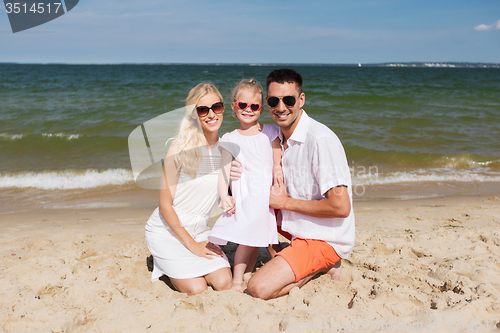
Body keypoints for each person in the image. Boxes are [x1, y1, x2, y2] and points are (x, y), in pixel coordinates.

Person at [239, 68, 356, 300]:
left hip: (324, 238)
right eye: (274, 101)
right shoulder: (278, 139)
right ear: (267, 103)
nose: (281, 107)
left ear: (301, 100)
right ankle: (290, 257)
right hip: (298, 230)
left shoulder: (320, 140)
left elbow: (341, 207)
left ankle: (323, 264)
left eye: (288, 100)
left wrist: (285, 202)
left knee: (258, 288)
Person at [145, 83, 232, 296]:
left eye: (216, 107)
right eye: (203, 109)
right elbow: (165, 206)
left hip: (200, 228)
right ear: (194, 114)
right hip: (167, 230)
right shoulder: (179, 148)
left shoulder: (227, 149)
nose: (211, 114)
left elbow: (225, 196)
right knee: (197, 289)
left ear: (222, 108)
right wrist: (192, 246)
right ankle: (165, 261)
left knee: (223, 282)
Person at [208, 78, 281, 292]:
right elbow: (223, 171)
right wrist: (225, 195)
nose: (248, 110)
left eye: (254, 106)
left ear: (262, 108)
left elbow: (277, 160)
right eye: (243, 105)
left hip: (264, 196)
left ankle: (248, 274)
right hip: (246, 196)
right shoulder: (230, 138)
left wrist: (278, 177)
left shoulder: (269, 132)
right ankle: (237, 280)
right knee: (246, 240)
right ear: (234, 106)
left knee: (256, 239)